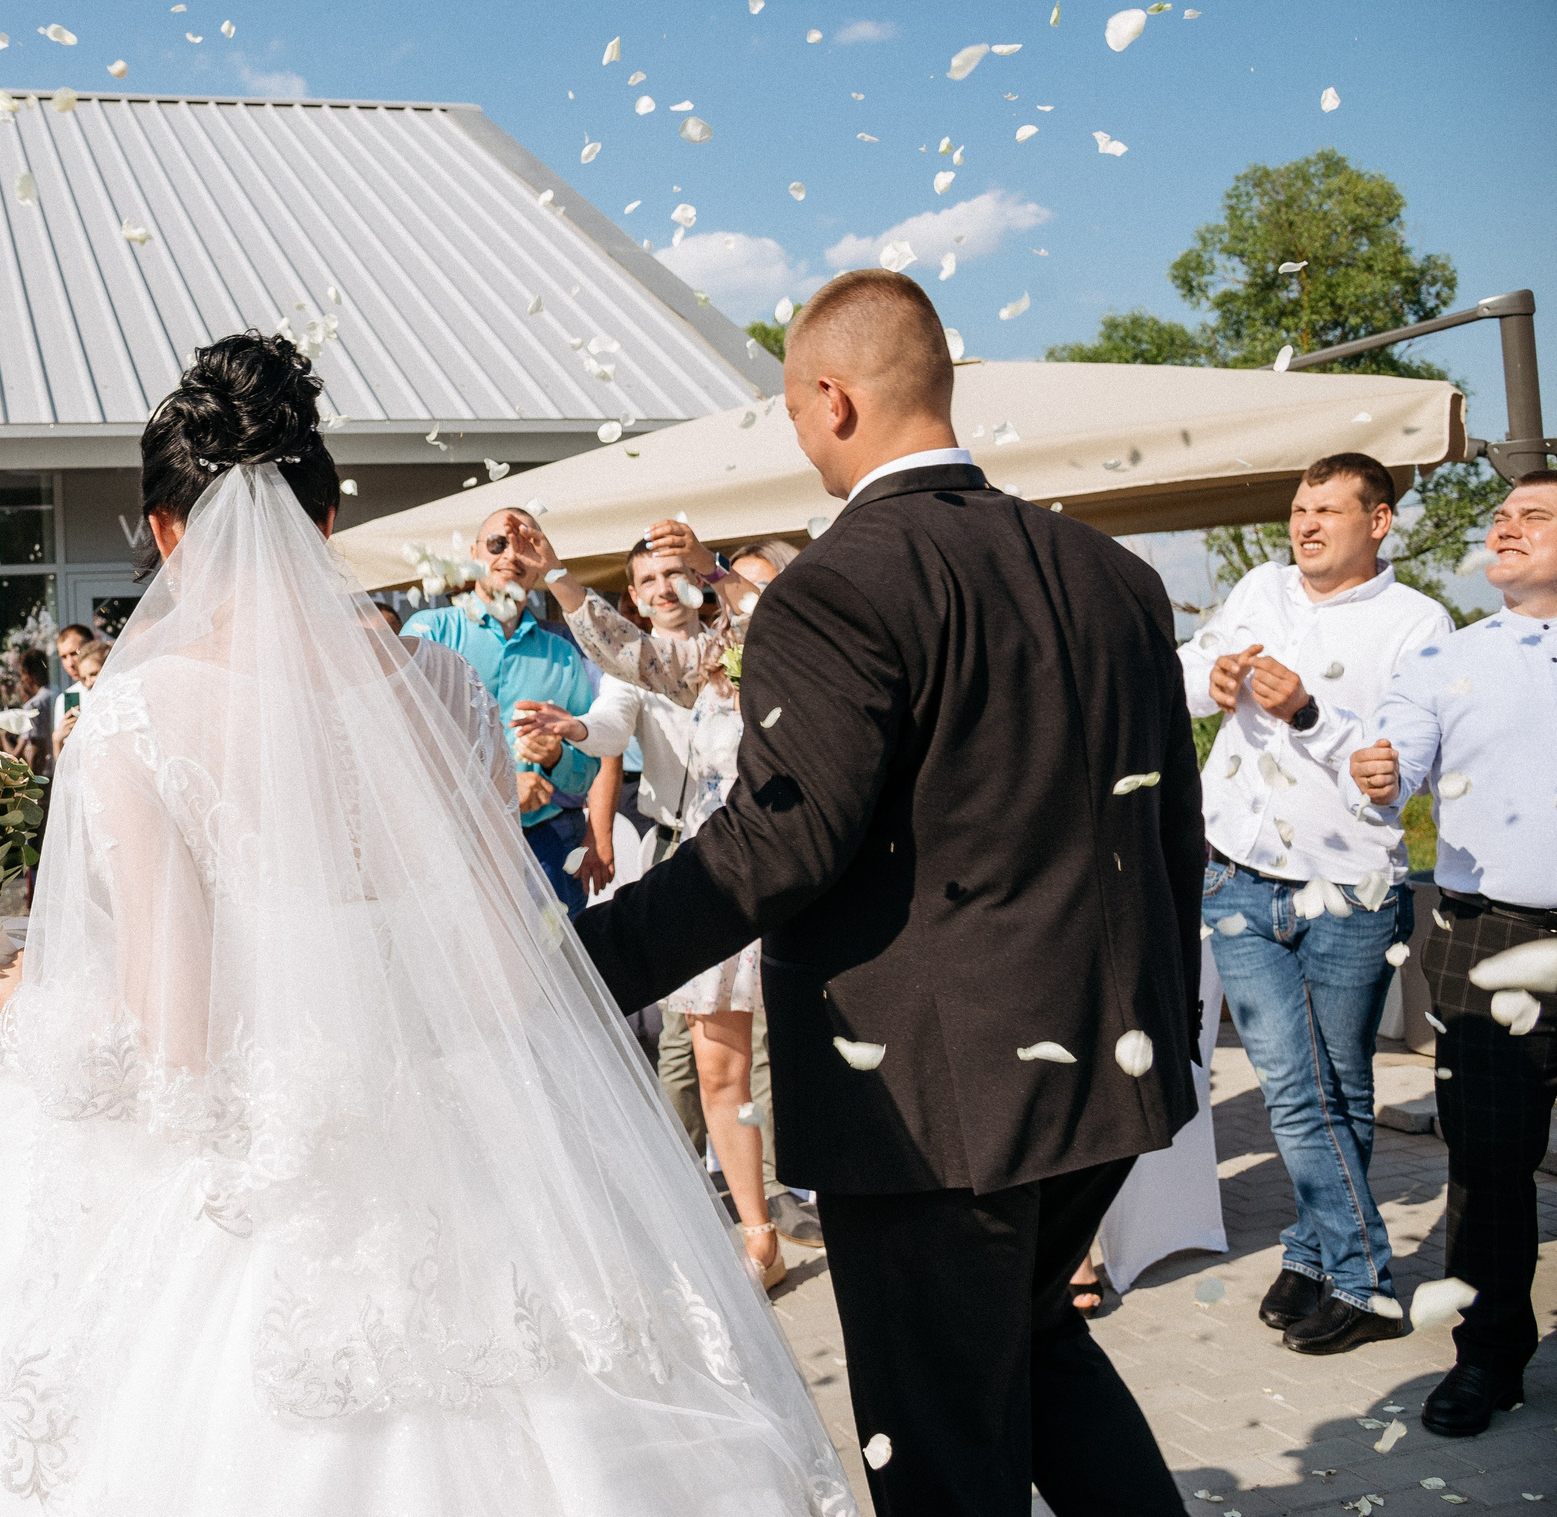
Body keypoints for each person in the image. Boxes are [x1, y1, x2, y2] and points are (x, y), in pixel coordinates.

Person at [0, 330, 849, 1517]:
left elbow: (174, 1035)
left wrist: (17, 1006)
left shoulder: (135, 716)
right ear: (323, 519)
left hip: (260, 1170)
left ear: (166, 531)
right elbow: (499, 970)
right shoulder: (446, 690)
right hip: (470, 1142)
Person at [571, 271, 1202, 1513]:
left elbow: (779, 841)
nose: (799, 437)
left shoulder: (837, 582)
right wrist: (1160, 1018)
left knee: (939, 1439)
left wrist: (575, 965)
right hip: (1108, 1058)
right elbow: (1169, 818)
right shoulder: (1109, 571)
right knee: (1036, 1345)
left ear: (834, 397)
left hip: (934, 1097)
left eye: (791, 412)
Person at [1177, 451, 1449, 1353]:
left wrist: (1307, 713)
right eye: (1300, 507)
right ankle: (1364, 1277)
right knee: (1296, 1088)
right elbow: (1185, 674)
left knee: (1343, 1086)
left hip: (1353, 889)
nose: (1305, 524)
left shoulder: (1420, 623)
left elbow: (1398, 771)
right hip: (1237, 874)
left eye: (1327, 509)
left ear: (1379, 521)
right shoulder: (1259, 588)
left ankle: (1311, 1252)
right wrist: (1213, 680)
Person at [513, 531, 792, 1287]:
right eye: (652, 579)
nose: (668, 588)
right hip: (707, 867)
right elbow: (615, 709)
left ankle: (821, 1192)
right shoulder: (664, 664)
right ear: (633, 596)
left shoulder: (753, 644)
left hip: (793, 862)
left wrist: (722, 579)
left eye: (680, 573)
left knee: (794, 1050)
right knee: (710, 1059)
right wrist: (575, 730)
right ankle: (756, 1231)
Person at [1347, 469, 1557, 1437]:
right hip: (1488, 934)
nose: (1504, 526)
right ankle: (1488, 1358)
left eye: (1533, 515)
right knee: (1488, 1164)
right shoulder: (1445, 659)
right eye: (1500, 515)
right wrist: (1379, 774)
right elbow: (1393, 769)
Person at [401, 509, 613, 914]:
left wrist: (555, 757)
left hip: (546, 844)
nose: (511, 555)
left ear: (539, 563)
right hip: (451, 841)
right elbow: (398, 740)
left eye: (526, 545)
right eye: (498, 543)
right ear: (473, 554)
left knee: (556, 953)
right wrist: (497, 788)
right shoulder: (430, 632)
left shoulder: (563, 654)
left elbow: (588, 769)